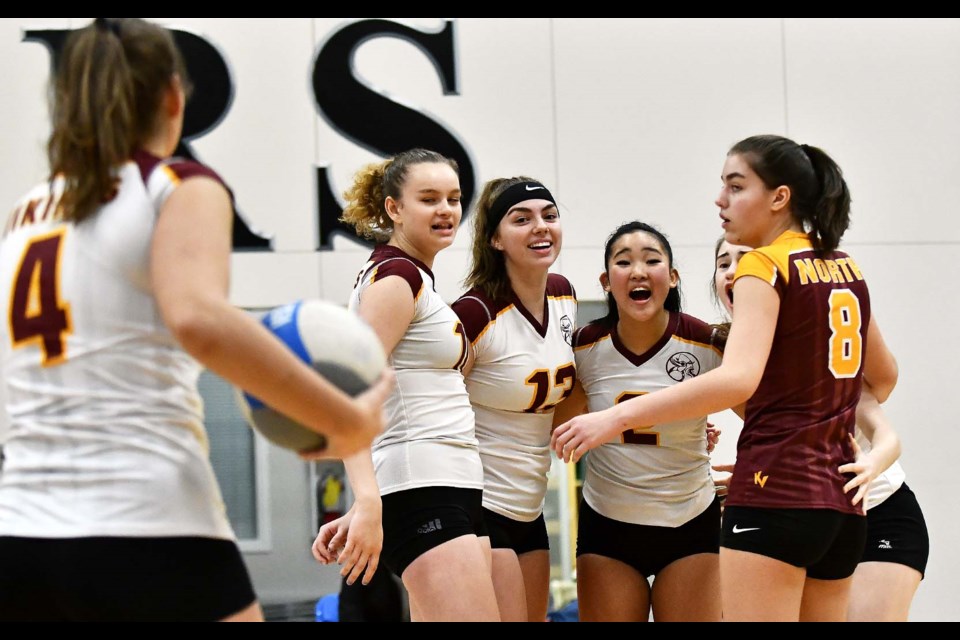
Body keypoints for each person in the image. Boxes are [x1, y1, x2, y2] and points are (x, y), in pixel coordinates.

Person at [0, 18, 391, 622]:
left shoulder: (26, 211)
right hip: (146, 517)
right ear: (173, 97)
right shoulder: (177, 185)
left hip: (22, 531)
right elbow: (200, 320)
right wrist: (343, 419)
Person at [552, 135, 901, 621]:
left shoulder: (761, 264)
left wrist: (615, 418)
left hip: (774, 492)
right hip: (839, 507)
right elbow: (882, 378)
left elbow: (736, 380)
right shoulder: (845, 266)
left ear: (779, 197)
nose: (721, 200)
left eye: (735, 187)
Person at [310, 149, 500, 622]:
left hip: (447, 484)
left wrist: (370, 499)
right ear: (394, 209)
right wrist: (371, 499)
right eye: (429, 198)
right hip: (422, 486)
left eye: (454, 199)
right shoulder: (396, 278)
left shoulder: (417, 278)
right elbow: (350, 395)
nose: (446, 210)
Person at [712, 239, 928, 621]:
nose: (733, 270)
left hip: (879, 508)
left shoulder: (822, 338)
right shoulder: (729, 352)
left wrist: (871, 464)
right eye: (722, 262)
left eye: (744, 260)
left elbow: (886, 431)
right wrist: (759, 473)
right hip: (802, 509)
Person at [551, 221, 723, 622]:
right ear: (606, 281)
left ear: (673, 276)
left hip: (690, 521)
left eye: (652, 260)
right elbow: (552, 425)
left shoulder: (706, 343)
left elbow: (765, 419)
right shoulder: (584, 348)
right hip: (609, 526)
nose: (638, 271)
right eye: (623, 262)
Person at [451, 177, 577, 622]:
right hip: (479, 504)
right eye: (521, 219)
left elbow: (574, 393)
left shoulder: (563, 294)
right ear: (495, 238)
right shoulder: (474, 313)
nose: (540, 227)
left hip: (530, 504)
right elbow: (428, 405)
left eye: (549, 215)